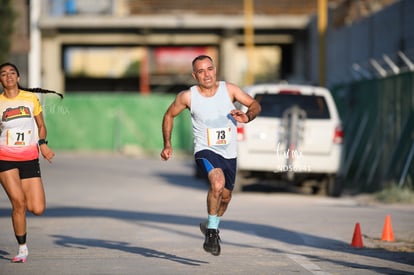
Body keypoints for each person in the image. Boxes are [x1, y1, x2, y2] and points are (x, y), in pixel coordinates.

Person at [160, 55, 261, 256]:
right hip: (205, 150)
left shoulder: (229, 90)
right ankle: (212, 233)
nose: (206, 74)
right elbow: (169, 115)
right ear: (194, 75)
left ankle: (210, 224)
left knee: (225, 198)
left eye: (209, 69)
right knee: (217, 183)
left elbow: (255, 105)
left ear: (215, 69)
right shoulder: (187, 97)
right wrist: (167, 144)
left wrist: (247, 116)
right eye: (201, 71)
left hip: (229, 154)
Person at [0, 62, 62, 263]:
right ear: (0, 80)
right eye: (3, 74)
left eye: (12, 73)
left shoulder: (30, 98)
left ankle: (22, 237)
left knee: (37, 208)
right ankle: (22, 249)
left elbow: (41, 125)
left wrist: (42, 144)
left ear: (18, 78)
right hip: (5, 158)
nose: (8, 76)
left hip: (29, 157)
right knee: (18, 203)